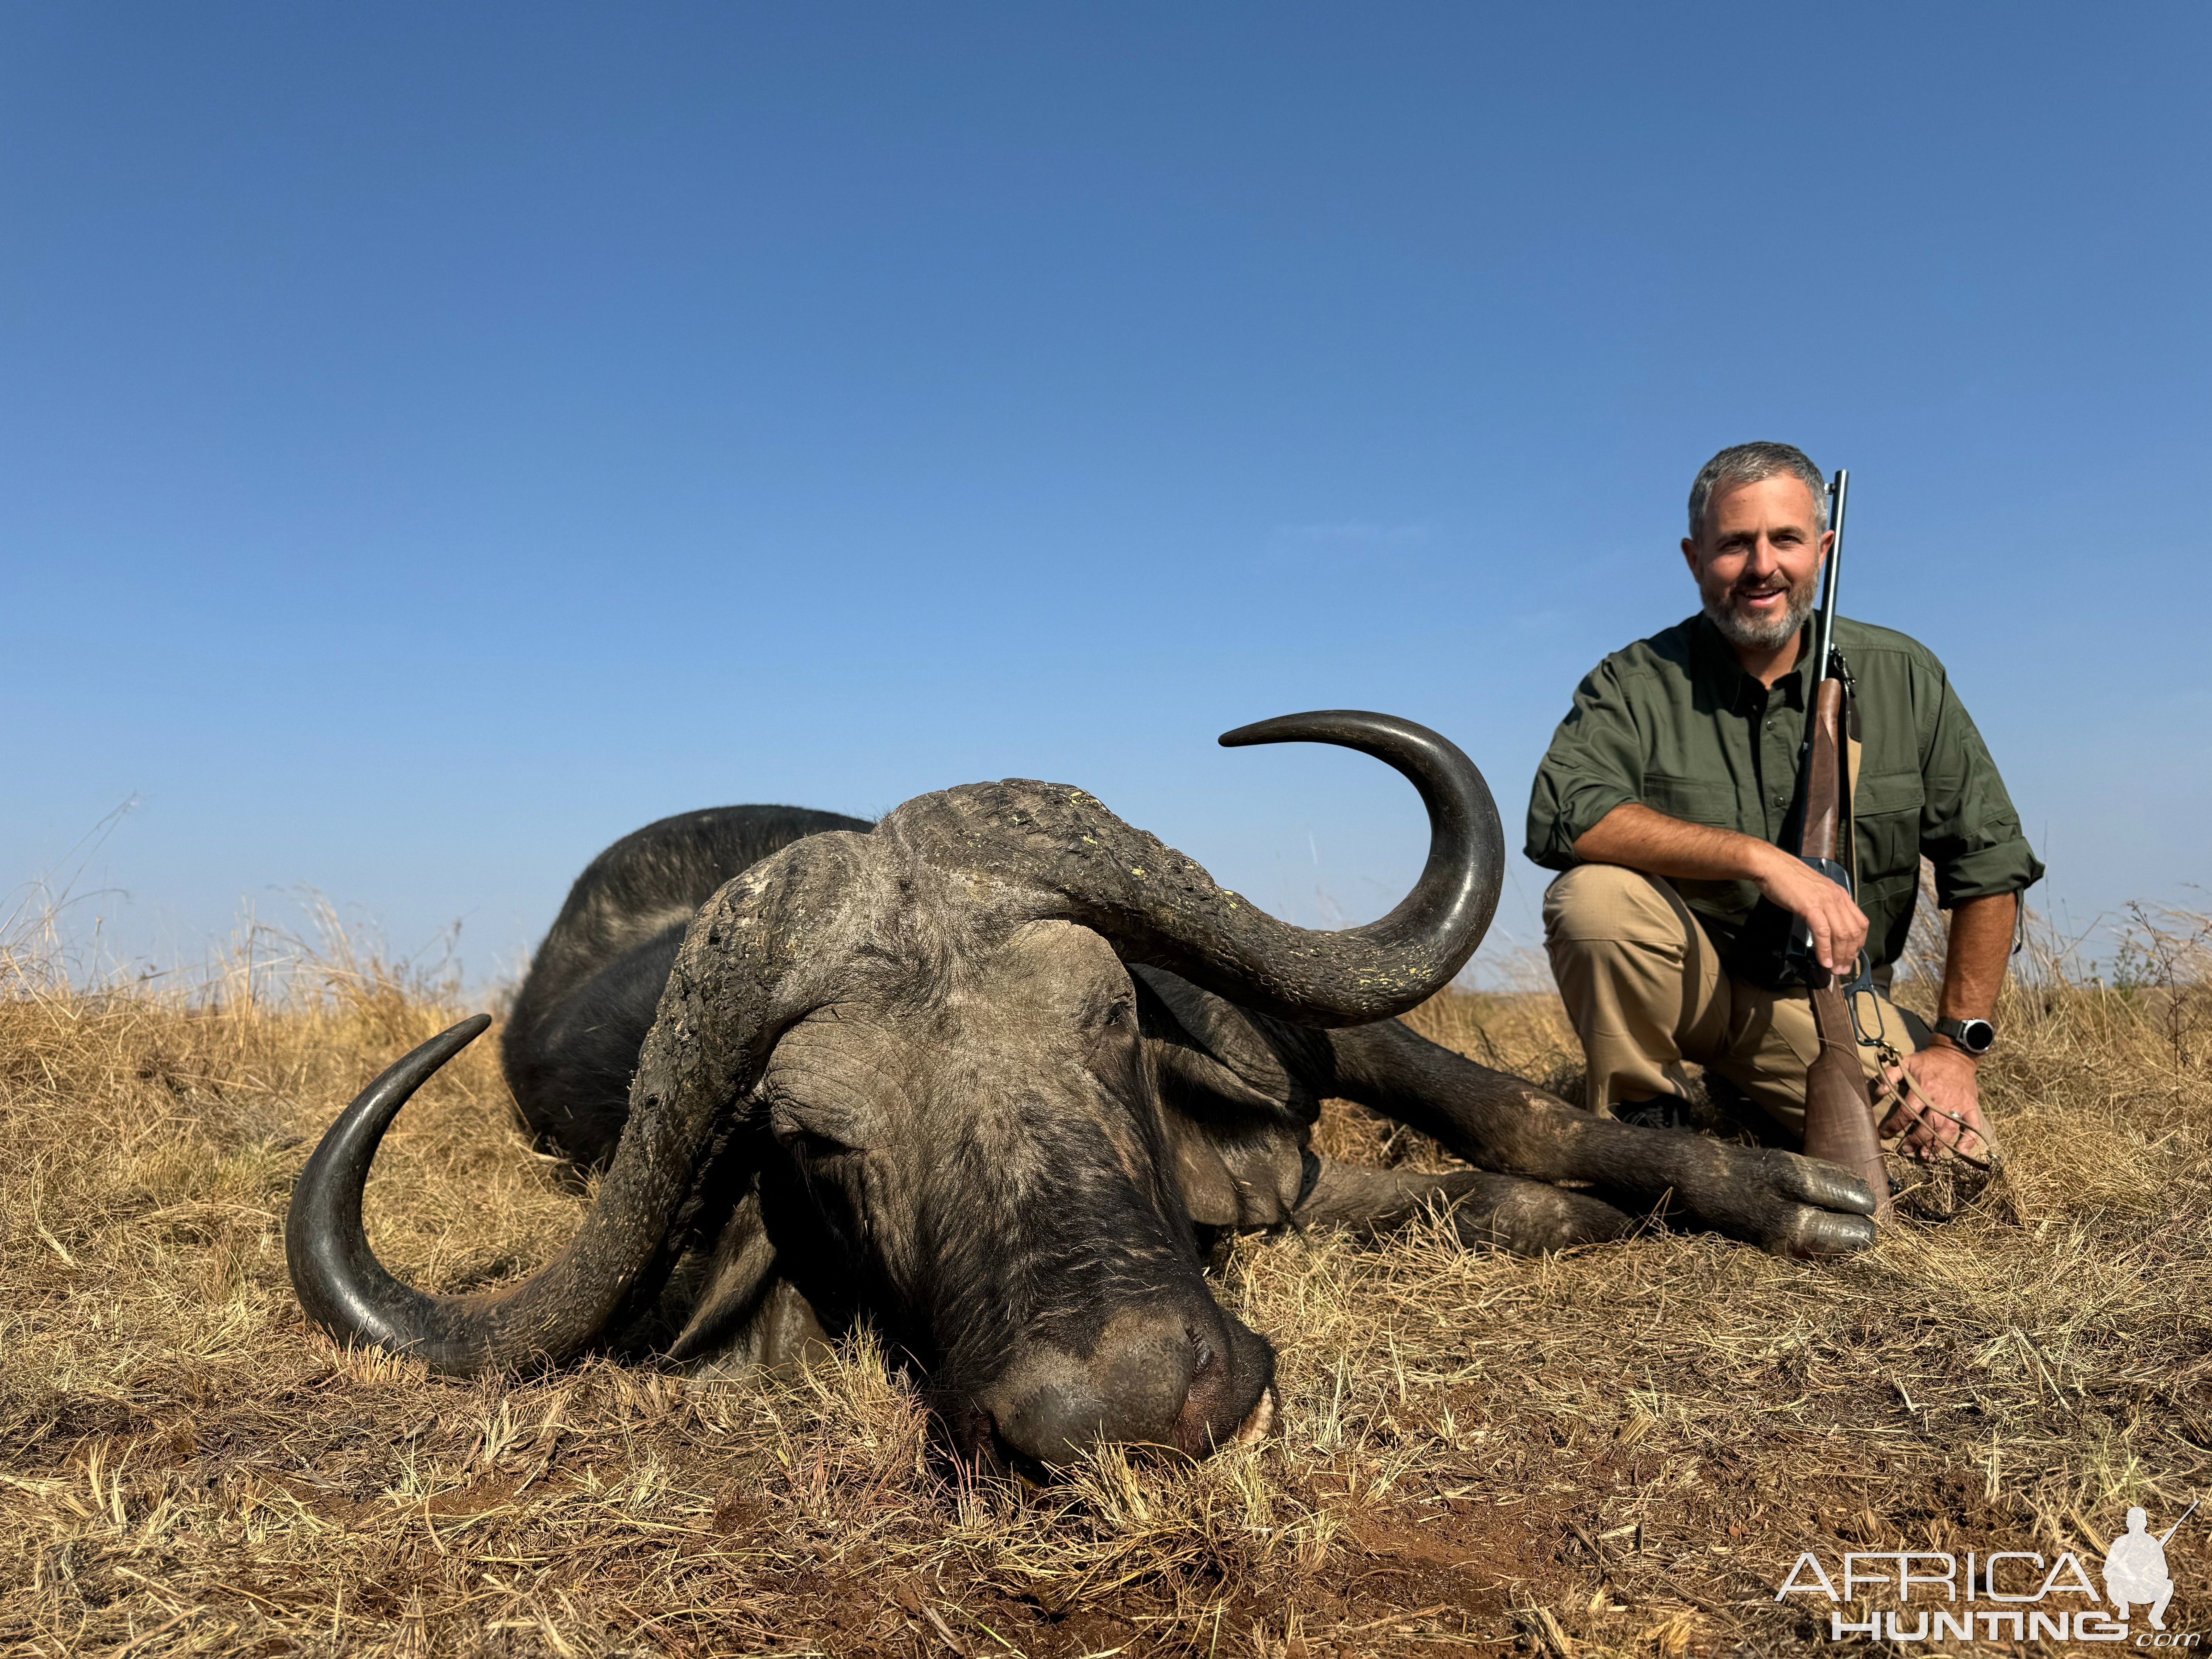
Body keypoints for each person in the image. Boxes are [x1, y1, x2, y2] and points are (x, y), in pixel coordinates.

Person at [1525, 442, 2042, 1160]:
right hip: (1692, 991)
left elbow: (1989, 863)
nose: (1761, 566)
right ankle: (1645, 1128)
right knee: (1592, 899)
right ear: (1693, 557)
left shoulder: (1904, 673)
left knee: (1954, 1165)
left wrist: (1957, 1049)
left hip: (1828, 1002)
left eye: (1785, 539)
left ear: (1822, 549)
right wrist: (1758, 858)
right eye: (1734, 543)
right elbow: (1564, 814)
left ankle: (1762, 1096)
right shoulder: (1633, 680)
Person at [2102, 1507, 2174, 1630]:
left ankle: (2156, 1617)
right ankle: (2124, 1608)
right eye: (2133, 1522)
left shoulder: (2152, 1543)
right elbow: (2107, 1571)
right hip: (2124, 1589)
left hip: (2146, 1590)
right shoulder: (2120, 1542)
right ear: (2128, 1523)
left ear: (2145, 1523)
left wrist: (2148, 1573)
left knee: (2168, 1585)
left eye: (2140, 1522)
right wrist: (2126, 1575)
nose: (2137, 1526)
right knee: (2112, 1584)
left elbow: (2164, 1572)